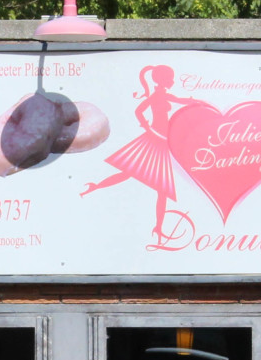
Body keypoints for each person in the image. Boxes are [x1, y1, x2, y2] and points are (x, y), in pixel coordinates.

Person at [81, 64, 199, 243]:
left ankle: (158, 228)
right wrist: (148, 129)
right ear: (163, 80)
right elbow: (140, 111)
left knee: (139, 178)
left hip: (161, 141)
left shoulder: (162, 95)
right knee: (152, 184)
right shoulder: (159, 95)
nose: (173, 81)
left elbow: (179, 100)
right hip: (156, 140)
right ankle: (158, 229)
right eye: (171, 78)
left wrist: (193, 102)